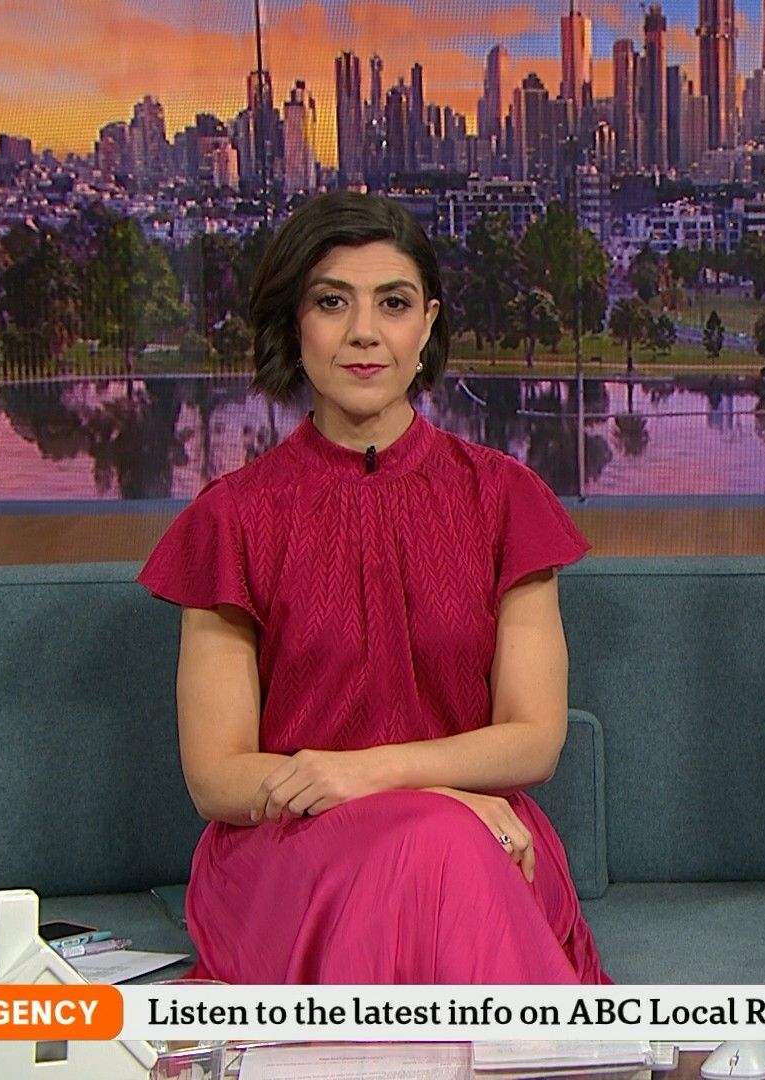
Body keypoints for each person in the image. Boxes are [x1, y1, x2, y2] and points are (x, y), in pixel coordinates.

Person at [138, 191, 608, 984]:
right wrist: (440, 800)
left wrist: (375, 776)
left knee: (442, 850)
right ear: (295, 324)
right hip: (292, 854)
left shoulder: (504, 498)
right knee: (437, 844)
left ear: (426, 325)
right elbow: (216, 777)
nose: (364, 332)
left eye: (393, 304)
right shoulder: (232, 517)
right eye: (332, 303)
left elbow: (533, 739)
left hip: (487, 842)